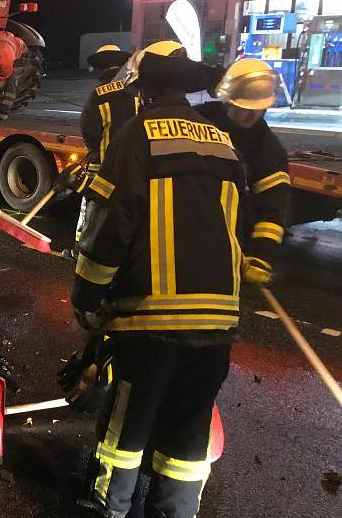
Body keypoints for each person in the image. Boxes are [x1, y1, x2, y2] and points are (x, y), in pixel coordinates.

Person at [71, 47, 240, 518]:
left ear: (143, 91)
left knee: (127, 428)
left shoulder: (137, 135)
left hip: (152, 320)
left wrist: (86, 295)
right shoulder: (221, 140)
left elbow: (111, 225)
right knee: (188, 432)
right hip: (217, 324)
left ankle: (109, 508)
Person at [196, 59, 289, 285]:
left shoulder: (268, 148)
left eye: (259, 110)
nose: (252, 116)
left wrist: (260, 257)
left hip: (232, 243)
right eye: (245, 109)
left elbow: (274, 207)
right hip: (190, 230)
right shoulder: (197, 123)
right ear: (228, 101)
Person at [66, 44, 136, 260]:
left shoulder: (98, 95)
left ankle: (81, 252)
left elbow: (90, 135)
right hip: (134, 167)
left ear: (100, 70)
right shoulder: (137, 92)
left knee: (91, 209)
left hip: (103, 168)